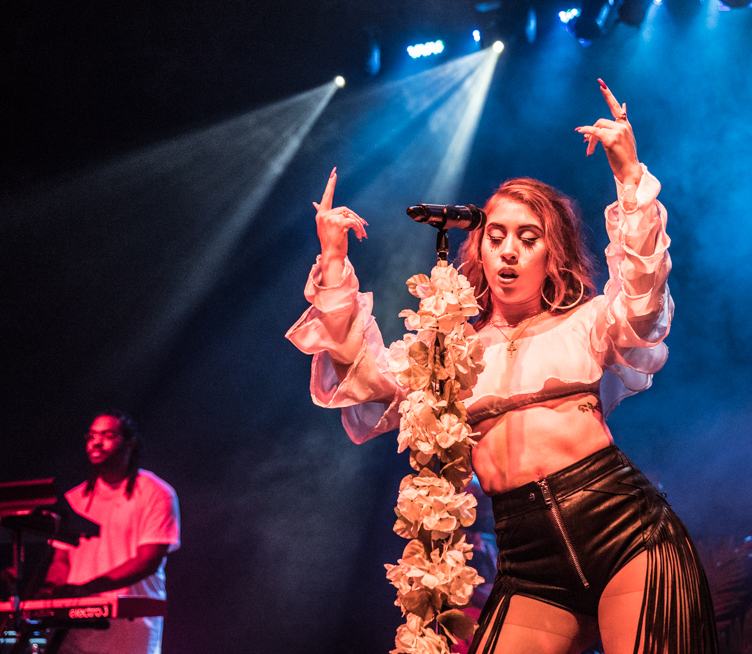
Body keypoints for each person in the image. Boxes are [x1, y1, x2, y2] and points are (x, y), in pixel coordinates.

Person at [286, 80, 717, 654]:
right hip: (529, 562)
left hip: (626, 532)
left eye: (527, 238)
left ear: (552, 255)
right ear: (479, 248)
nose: (508, 250)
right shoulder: (447, 353)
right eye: (496, 236)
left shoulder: (586, 322)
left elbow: (642, 298)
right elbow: (364, 378)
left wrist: (629, 175)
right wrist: (335, 261)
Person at [38, 411, 180, 654]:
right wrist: (49, 589)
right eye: (92, 436)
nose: (96, 442)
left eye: (108, 435)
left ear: (130, 443)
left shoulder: (157, 493)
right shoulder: (73, 499)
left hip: (130, 628)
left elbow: (148, 561)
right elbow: (61, 560)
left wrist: (87, 589)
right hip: (75, 625)